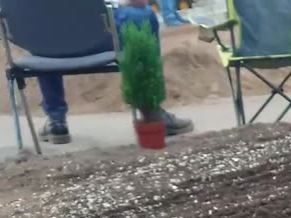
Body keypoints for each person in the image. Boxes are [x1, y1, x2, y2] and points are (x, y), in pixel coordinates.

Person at [37, 0, 194, 144]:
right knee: (141, 14)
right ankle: (150, 110)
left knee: (40, 28)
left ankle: (56, 120)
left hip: (51, 46)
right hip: (99, 38)